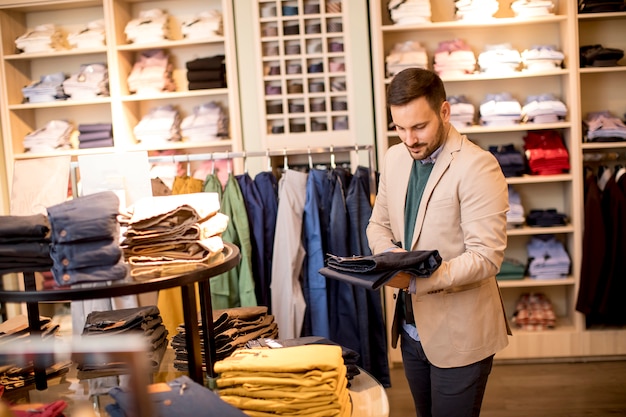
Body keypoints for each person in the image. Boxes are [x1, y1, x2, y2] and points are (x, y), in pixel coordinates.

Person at [366, 67, 511, 417]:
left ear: (444, 112)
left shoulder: (478, 166)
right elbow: (377, 224)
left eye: (419, 127)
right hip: (412, 329)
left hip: (461, 334)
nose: (409, 139)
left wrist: (417, 279)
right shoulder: (394, 157)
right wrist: (390, 259)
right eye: (399, 128)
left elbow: (486, 257)